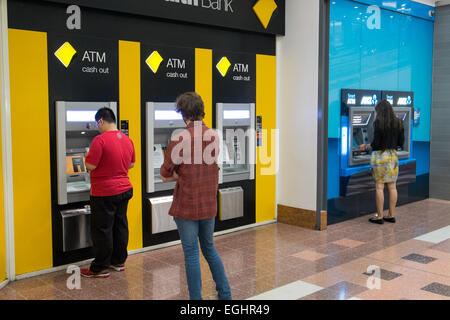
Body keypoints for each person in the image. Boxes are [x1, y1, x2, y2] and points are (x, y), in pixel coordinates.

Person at [160, 92, 232, 300]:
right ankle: (225, 294)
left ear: (184, 115)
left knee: (191, 254)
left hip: (187, 205)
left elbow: (165, 174)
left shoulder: (179, 139)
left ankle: (196, 301)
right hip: (208, 203)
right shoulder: (214, 136)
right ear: (201, 111)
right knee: (209, 248)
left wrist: (180, 173)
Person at [81, 107, 135, 278]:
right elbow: (131, 164)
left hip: (104, 192)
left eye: (98, 124)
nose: (98, 127)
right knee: (120, 226)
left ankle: (100, 267)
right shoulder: (127, 140)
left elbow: (90, 166)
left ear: (101, 121)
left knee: (103, 229)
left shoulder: (100, 140)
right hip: (124, 188)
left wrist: (85, 156)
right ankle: (118, 261)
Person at [359, 100, 405, 224]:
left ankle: (379, 216)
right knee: (392, 186)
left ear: (379, 111)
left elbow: (376, 144)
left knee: (379, 187)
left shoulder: (378, 123)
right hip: (392, 157)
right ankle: (391, 215)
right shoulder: (399, 122)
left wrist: (366, 146)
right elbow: (401, 143)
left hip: (380, 157)